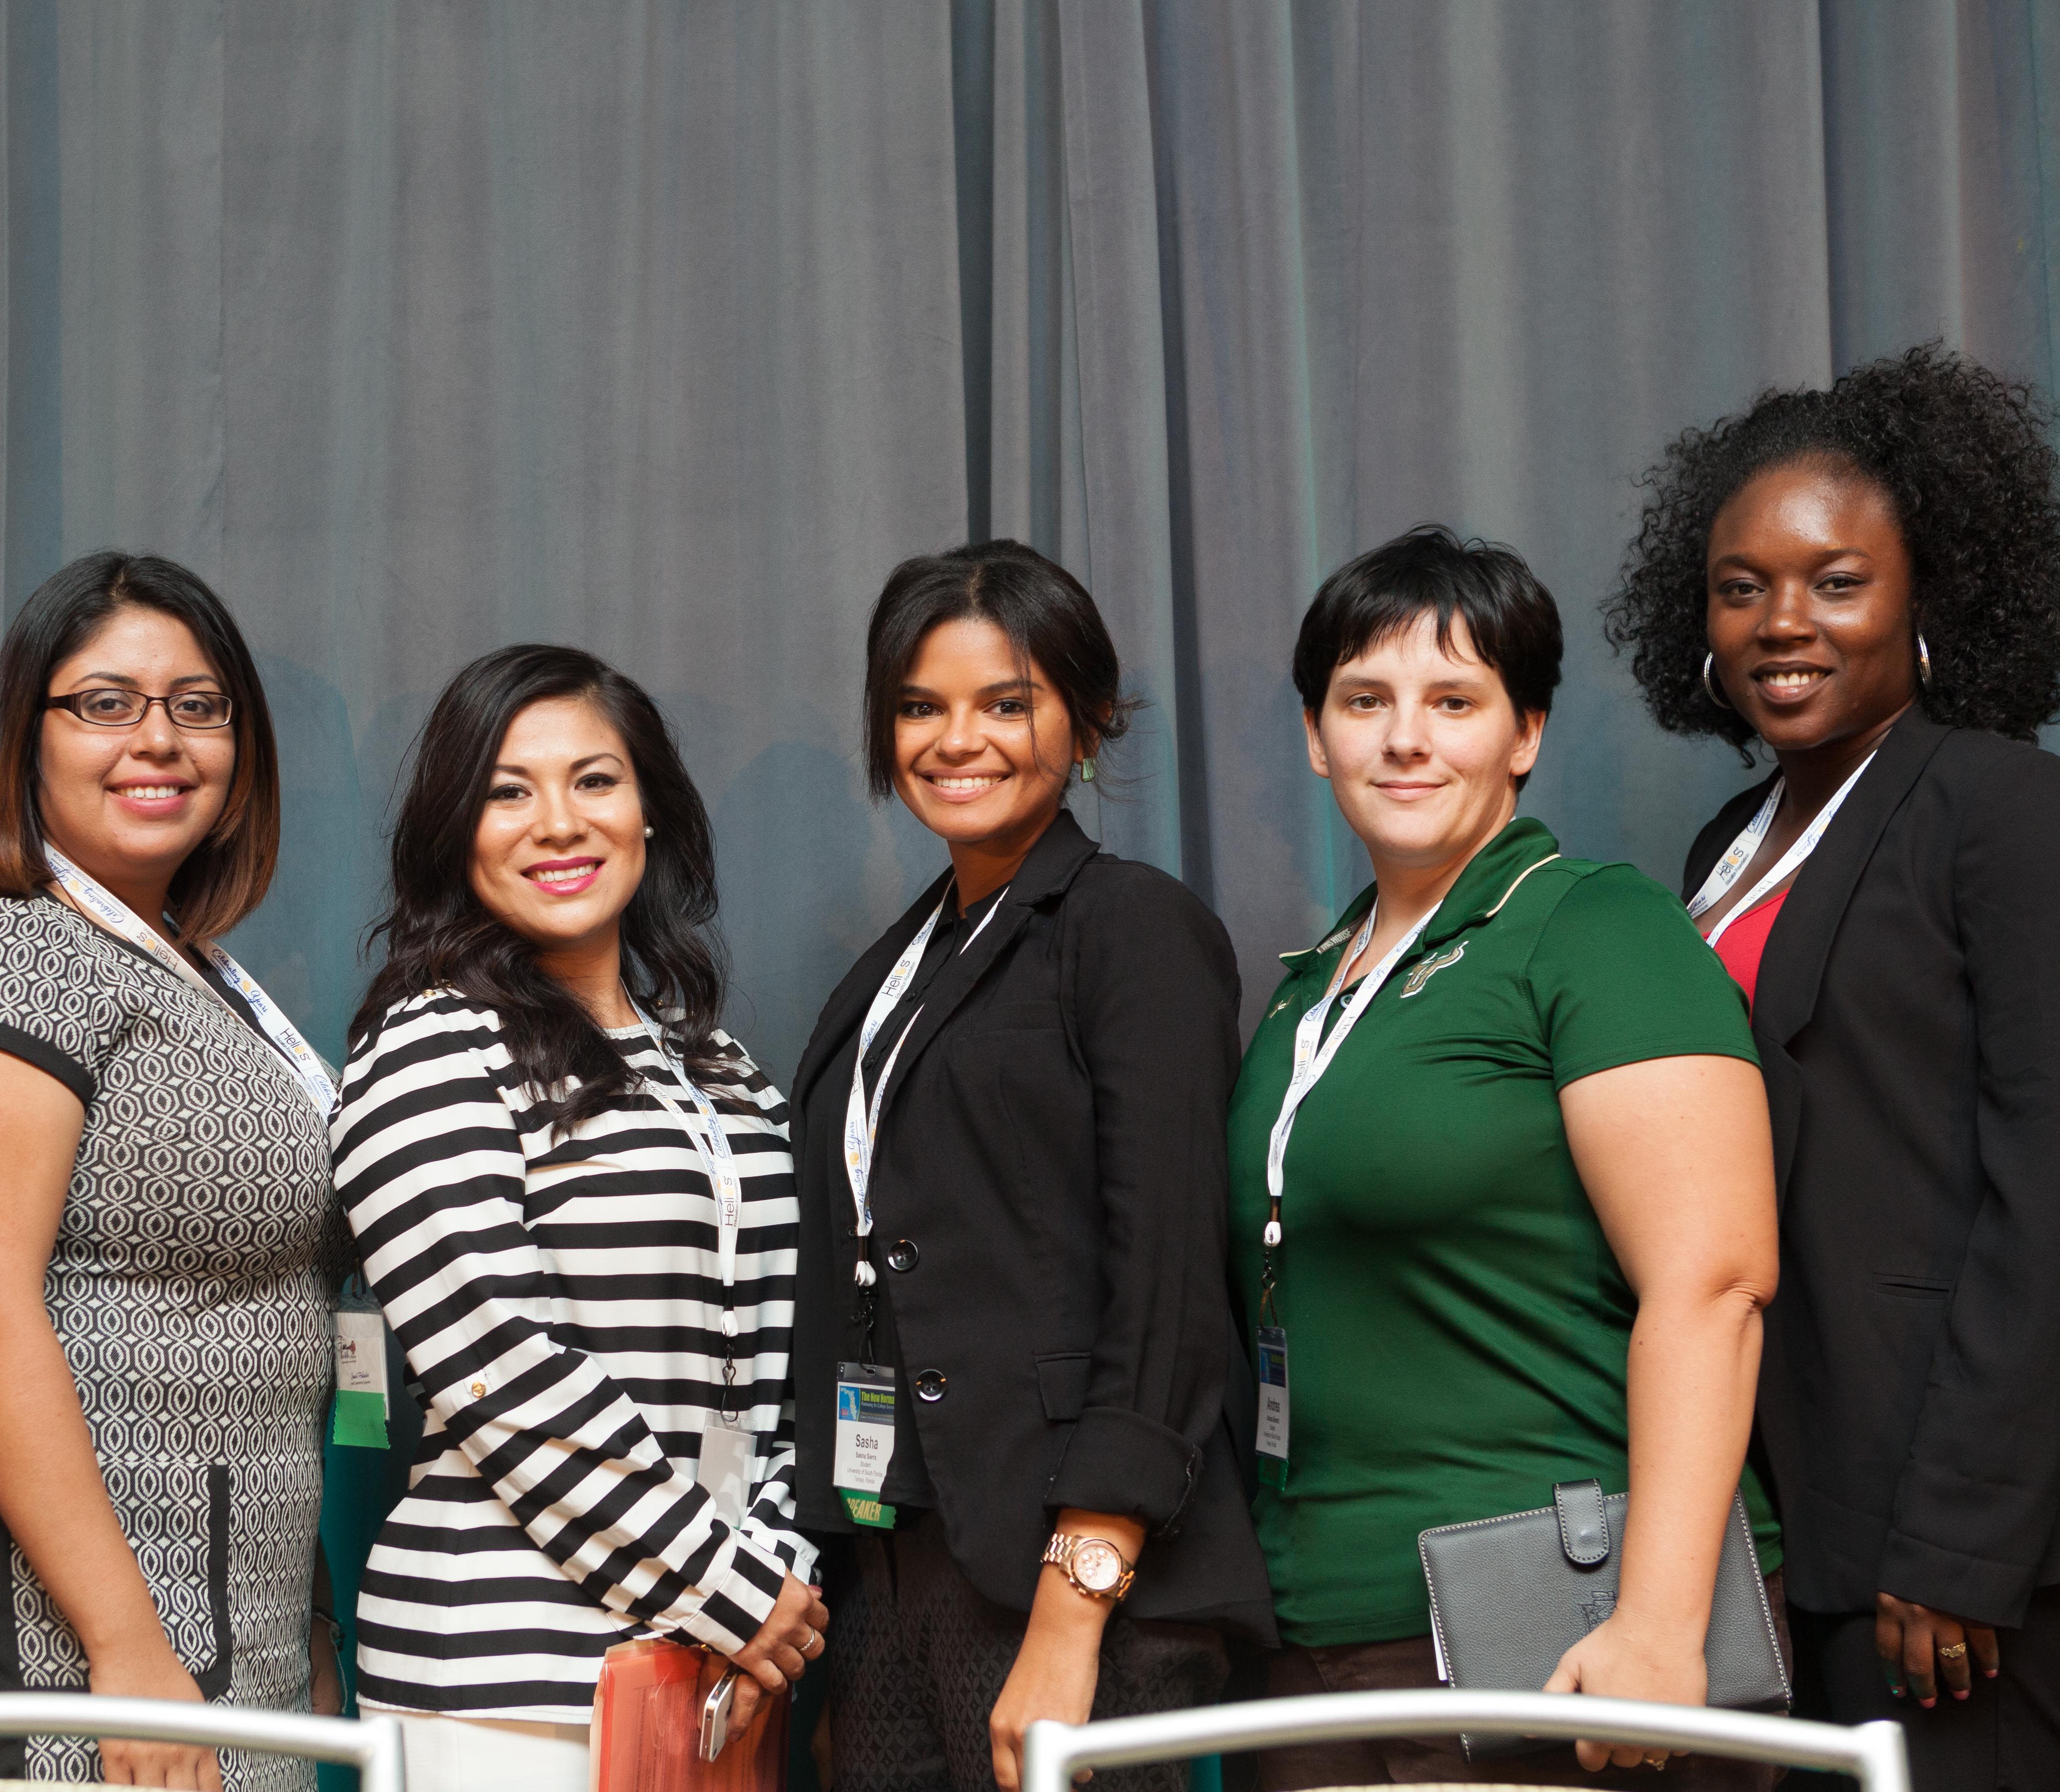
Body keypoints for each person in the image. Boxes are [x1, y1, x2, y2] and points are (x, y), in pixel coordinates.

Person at [1234, 526, 1783, 1789]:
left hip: (1561, 1625)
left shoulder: (1595, 927)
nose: (1404, 739)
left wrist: (1657, 1623)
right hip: (1319, 1634)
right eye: (1363, 701)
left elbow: (1713, 1283)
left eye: (1453, 701)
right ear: (1315, 736)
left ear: (1525, 731)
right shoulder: (1308, 989)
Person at [1606, 344, 2060, 1789]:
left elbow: (2047, 1190)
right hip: (1781, 1517)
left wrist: (1965, 1535)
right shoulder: (1724, 845)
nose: (1782, 622)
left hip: (1946, 1548)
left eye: (1837, 581)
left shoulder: (2000, 807)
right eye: (1741, 587)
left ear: (1931, 596)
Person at [785, 540, 1269, 1792]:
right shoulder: (898, 964)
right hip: (895, 1563)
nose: (959, 740)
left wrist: (1076, 1600)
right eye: (919, 708)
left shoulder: (1129, 926)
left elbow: (1168, 1286)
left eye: (1006, 703)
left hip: (1073, 1574)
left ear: (1089, 720)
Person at [0, 552, 342, 1792]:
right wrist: (124, 1645)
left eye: (198, 706)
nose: (159, 741)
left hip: (233, 1598)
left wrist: (303, 1619)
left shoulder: (198, 971)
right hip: (78, 1625)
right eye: (104, 703)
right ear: (27, 737)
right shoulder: (10, 956)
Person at [332, 643, 826, 1792]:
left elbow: (788, 1360)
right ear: (458, 832)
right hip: (502, 1681)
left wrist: (775, 1565)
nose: (558, 822)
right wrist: (730, 1588)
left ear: (647, 808)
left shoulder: (719, 1066)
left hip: (711, 1666)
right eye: (508, 792)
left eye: (594, 780)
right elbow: (501, 1367)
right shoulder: (426, 1047)